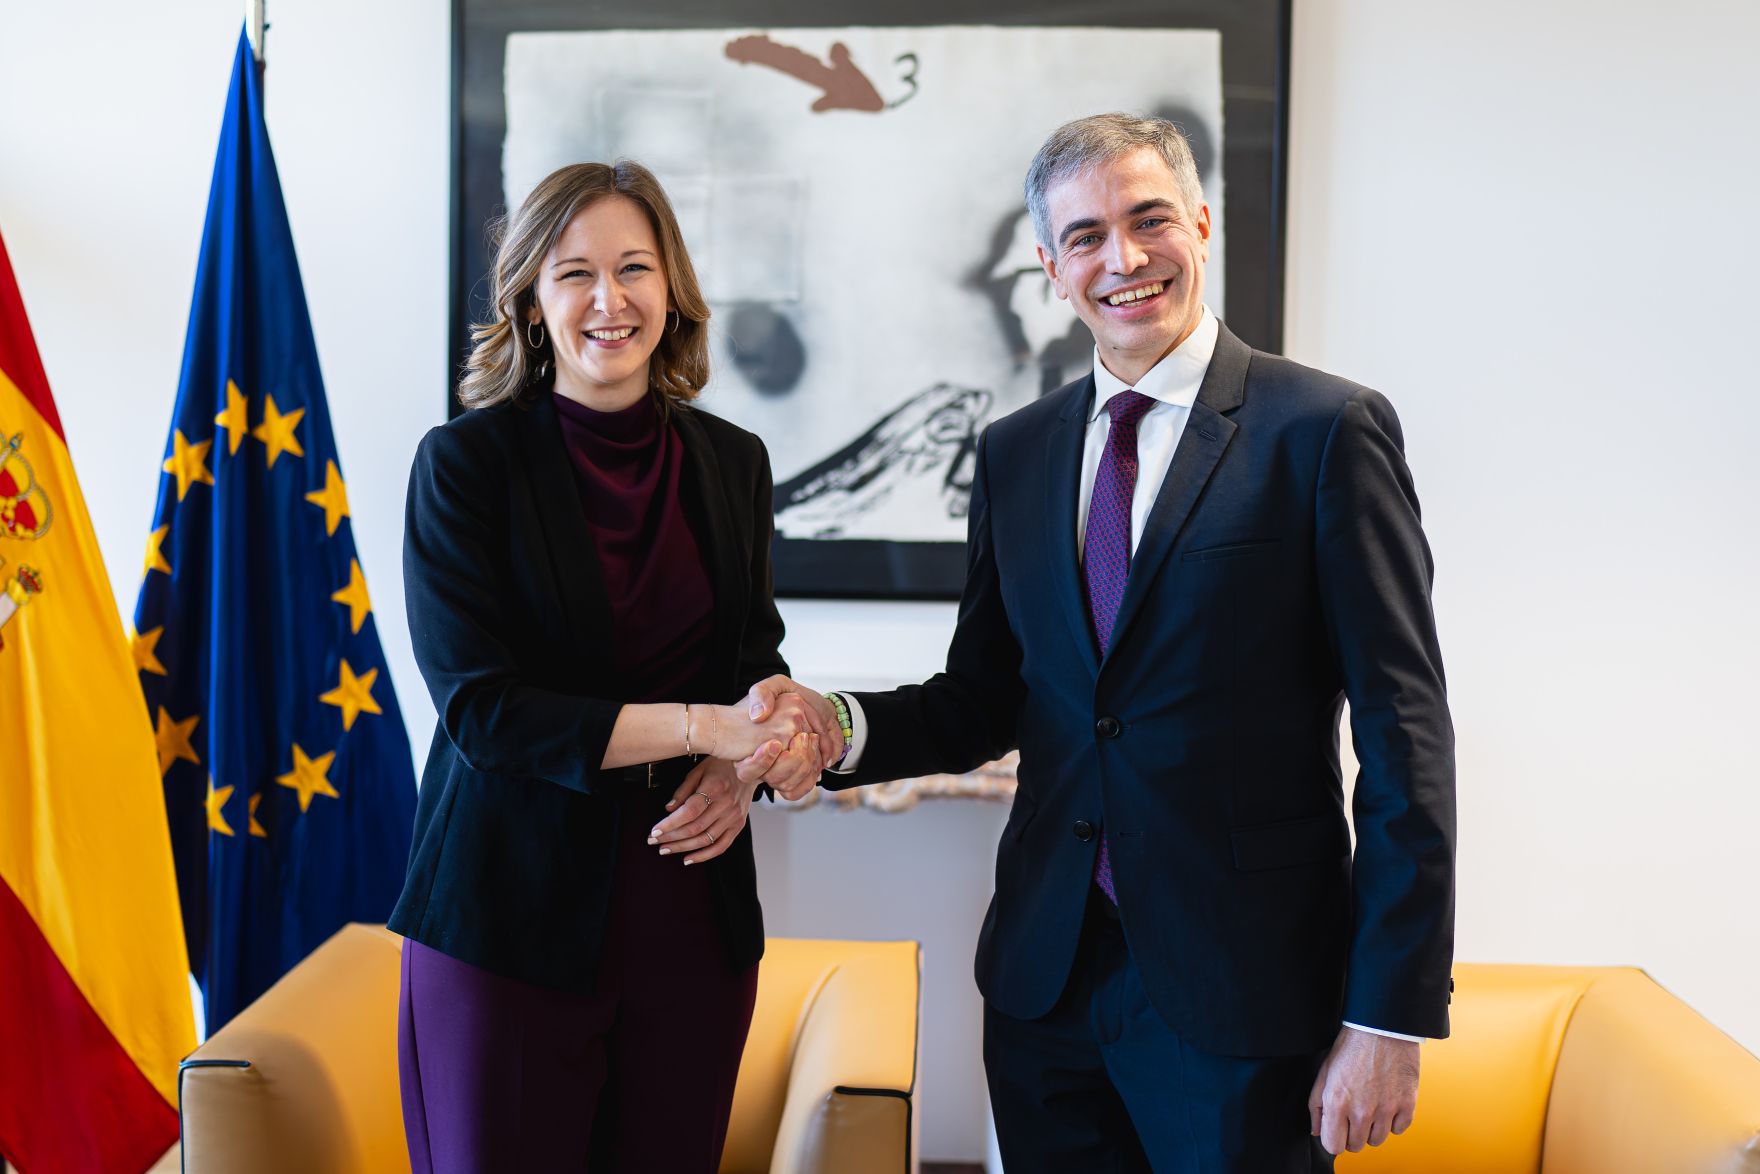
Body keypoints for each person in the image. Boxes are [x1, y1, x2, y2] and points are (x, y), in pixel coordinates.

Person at [734, 113, 1457, 1171]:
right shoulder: (1016, 453)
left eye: (1147, 219)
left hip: (1246, 996)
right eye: (1083, 236)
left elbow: (1406, 733)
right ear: (1048, 266)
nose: (1120, 258)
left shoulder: (1322, 431)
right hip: (1045, 987)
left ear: (1199, 226)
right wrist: (834, 723)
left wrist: (1386, 1017)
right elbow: (982, 697)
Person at [391, 160, 836, 1174]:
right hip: (508, 918)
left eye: (634, 267)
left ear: (671, 287)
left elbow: (750, 664)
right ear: (531, 302)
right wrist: (698, 729)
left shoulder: (732, 460)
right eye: (574, 272)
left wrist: (737, 765)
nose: (608, 299)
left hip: (689, 911)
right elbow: (484, 712)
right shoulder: (464, 465)